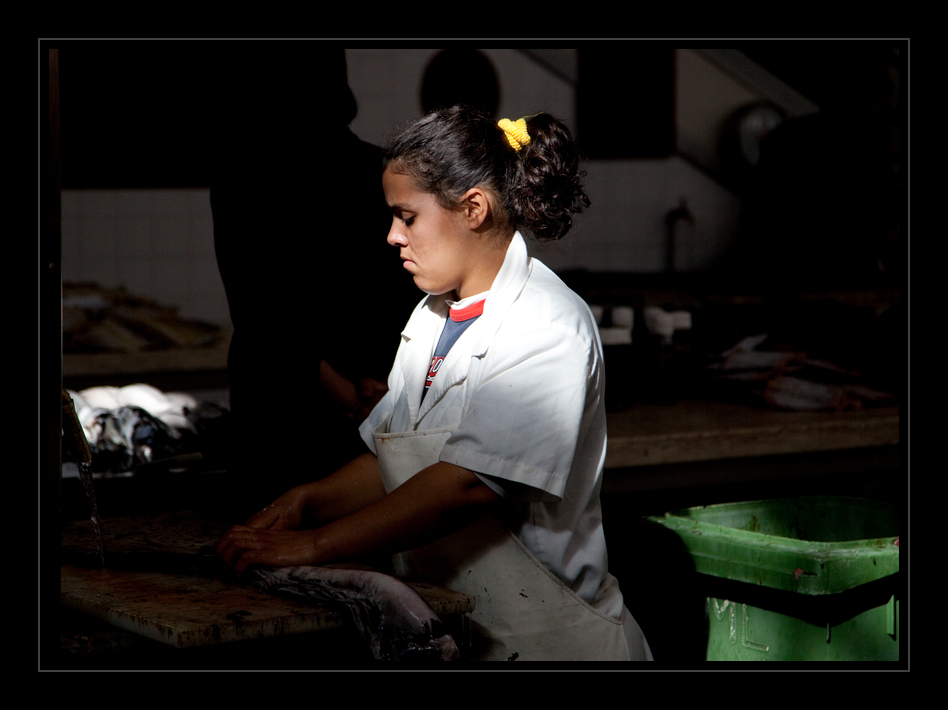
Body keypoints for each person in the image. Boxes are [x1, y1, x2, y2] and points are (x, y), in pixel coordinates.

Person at [217, 106, 653, 662]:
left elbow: (468, 484)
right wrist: (307, 500)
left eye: (407, 217)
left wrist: (315, 544)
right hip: (462, 626)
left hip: (550, 641)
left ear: (473, 208)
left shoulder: (546, 323)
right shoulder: (431, 316)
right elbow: (393, 456)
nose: (392, 236)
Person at [210, 47, 417, 517]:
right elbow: (410, 297)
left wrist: (347, 396)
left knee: (273, 548)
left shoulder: (242, 176)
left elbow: (262, 314)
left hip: (284, 418)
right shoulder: (383, 171)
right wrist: (378, 394)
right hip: (376, 413)